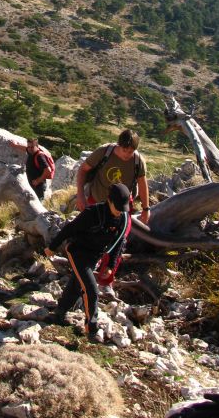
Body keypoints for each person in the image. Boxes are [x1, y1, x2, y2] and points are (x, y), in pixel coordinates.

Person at [44, 182, 132, 340]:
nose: (120, 211)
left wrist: (110, 265)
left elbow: (119, 243)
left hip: (95, 255)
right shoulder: (93, 213)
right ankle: (91, 329)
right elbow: (69, 229)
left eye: (123, 208)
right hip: (77, 252)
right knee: (91, 289)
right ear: (109, 200)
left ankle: (59, 312)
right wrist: (52, 247)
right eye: (117, 207)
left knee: (78, 283)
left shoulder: (123, 219)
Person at [76, 128, 151, 225]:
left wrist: (146, 209)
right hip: (97, 201)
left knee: (120, 231)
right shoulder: (104, 152)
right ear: (119, 145)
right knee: (91, 228)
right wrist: (80, 195)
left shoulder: (138, 161)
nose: (127, 154)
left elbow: (142, 184)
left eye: (131, 152)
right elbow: (83, 170)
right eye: (124, 150)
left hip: (121, 207)